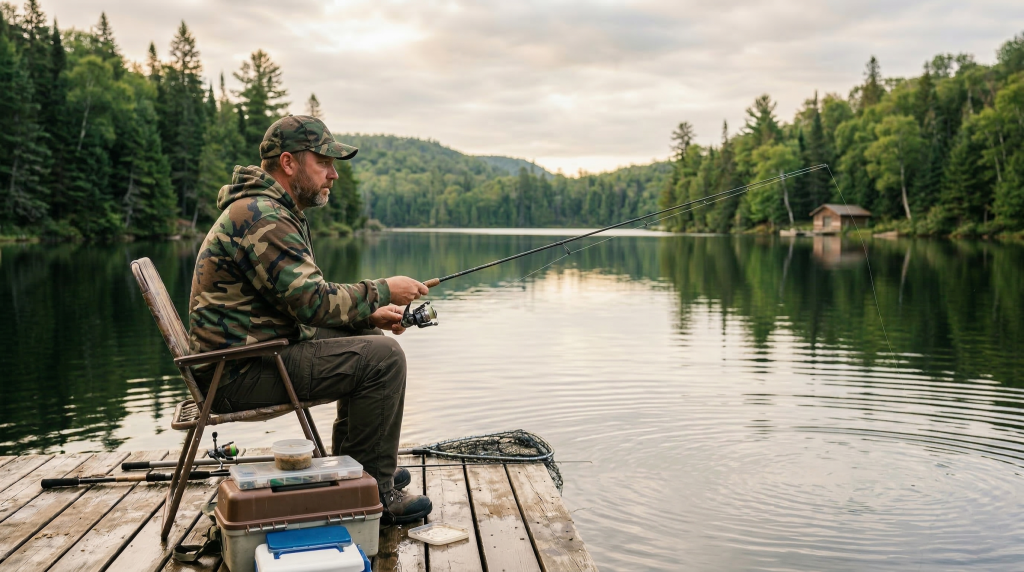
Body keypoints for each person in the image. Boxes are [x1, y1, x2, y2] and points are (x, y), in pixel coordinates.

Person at [187, 115, 431, 524]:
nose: (333, 174)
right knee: (383, 358)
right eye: (323, 163)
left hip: (246, 355)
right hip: (234, 375)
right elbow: (312, 303)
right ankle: (374, 494)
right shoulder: (262, 216)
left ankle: (360, 471)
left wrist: (368, 312)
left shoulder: (266, 208)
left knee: (366, 333)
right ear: (288, 163)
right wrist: (384, 289)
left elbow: (297, 300)